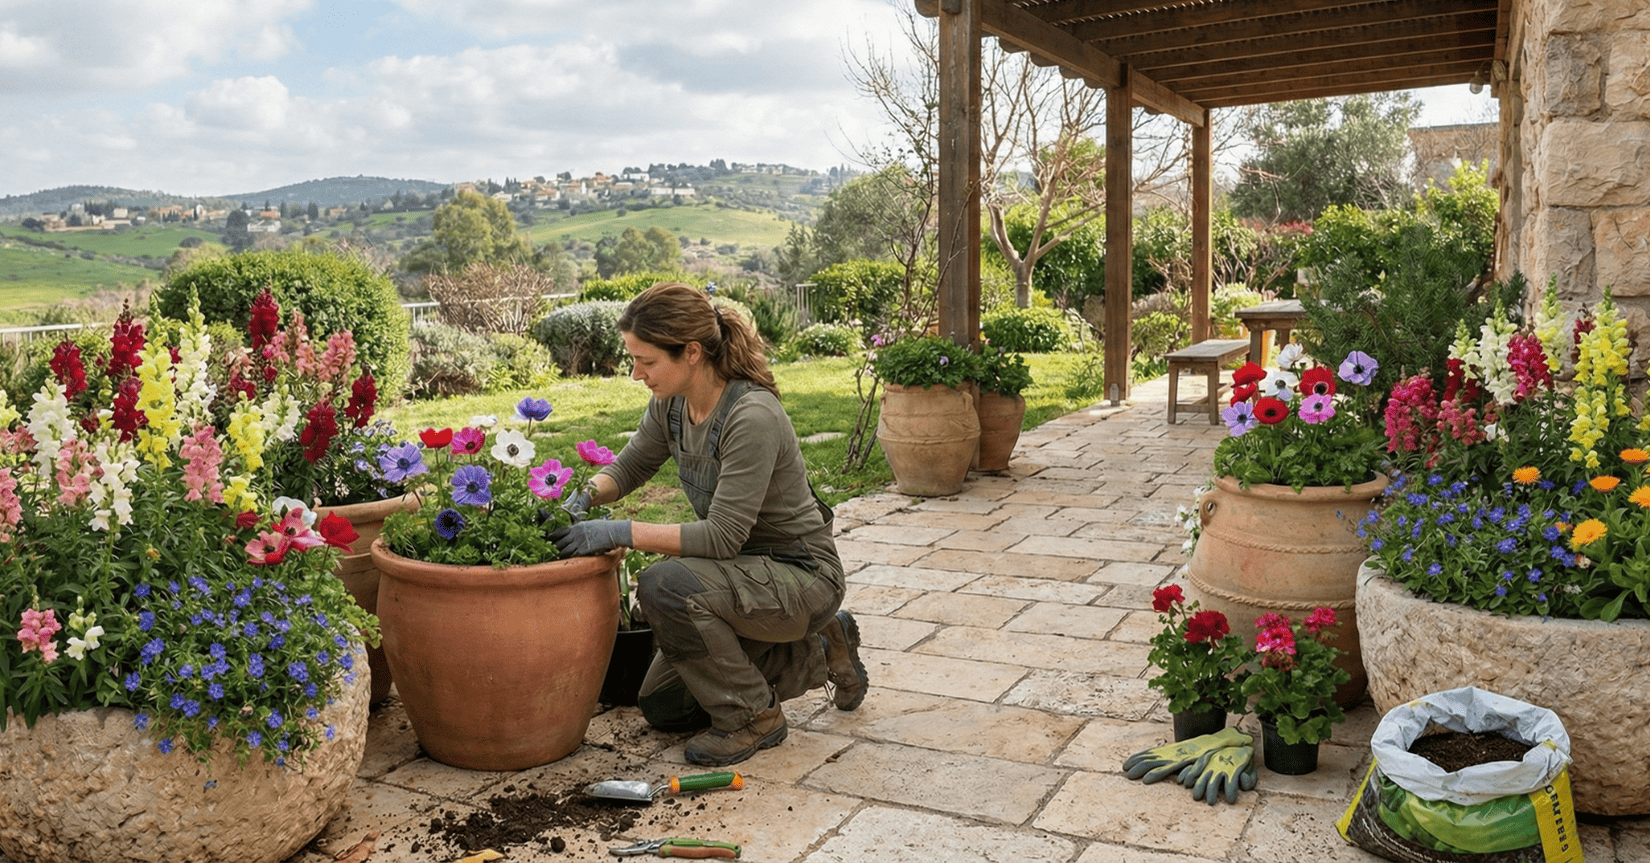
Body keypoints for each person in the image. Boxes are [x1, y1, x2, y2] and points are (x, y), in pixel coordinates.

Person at [549, 282, 868, 767]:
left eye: (647, 361)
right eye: (633, 359)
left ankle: (753, 719)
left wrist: (618, 531)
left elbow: (721, 537)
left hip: (802, 576)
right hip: (743, 577)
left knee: (666, 585)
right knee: (663, 705)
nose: (636, 374)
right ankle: (821, 648)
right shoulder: (672, 404)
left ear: (692, 352)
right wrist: (581, 497)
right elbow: (632, 466)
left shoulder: (751, 415)